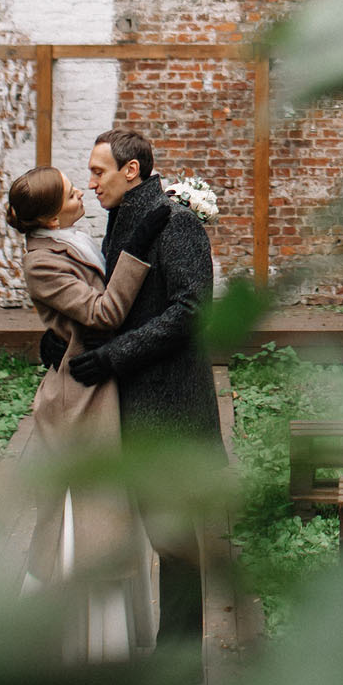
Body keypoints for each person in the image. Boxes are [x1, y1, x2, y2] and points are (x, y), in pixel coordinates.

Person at [4, 163, 170, 661]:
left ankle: (104, 633)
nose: (83, 191)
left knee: (106, 512)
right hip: (78, 400)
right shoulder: (43, 261)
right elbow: (101, 313)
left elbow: (80, 312)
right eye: (73, 192)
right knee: (86, 516)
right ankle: (60, 639)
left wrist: (60, 333)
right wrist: (138, 249)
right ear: (52, 219)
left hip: (98, 385)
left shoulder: (65, 240)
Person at [65, 127, 223, 646]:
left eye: (97, 171)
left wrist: (114, 357)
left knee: (174, 543)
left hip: (170, 413)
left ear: (131, 171)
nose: (90, 183)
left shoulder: (176, 225)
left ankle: (177, 668)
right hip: (128, 409)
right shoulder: (123, 223)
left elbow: (191, 312)